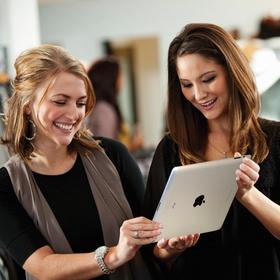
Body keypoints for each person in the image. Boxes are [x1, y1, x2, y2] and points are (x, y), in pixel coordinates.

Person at [0, 44, 162, 280]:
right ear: (27, 105)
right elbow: (43, 266)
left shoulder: (113, 155)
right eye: (60, 101)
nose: (74, 114)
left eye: (80, 102)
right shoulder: (6, 186)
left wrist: (169, 246)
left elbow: (151, 244)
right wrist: (115, 255)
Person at [143, 23, 280, 280]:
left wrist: (248, 194)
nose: (198, 94)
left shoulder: (276, 139)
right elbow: (154, 251)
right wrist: (169, 250)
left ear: (232, 72)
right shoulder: (172, 149)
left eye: (208, 79)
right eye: (186, 84)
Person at [87, 57, 143, 152]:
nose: (122, 80)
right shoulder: (103, 110)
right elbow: (107, 150)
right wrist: (134, 146)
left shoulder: (103, 107)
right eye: (120, 75)